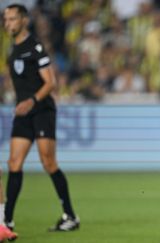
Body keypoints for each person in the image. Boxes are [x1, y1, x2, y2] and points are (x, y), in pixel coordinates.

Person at [3, 4, 79, 233]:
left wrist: (31, 101)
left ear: (24, 21)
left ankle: (70, 216)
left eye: (13, 19)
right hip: (23, 112)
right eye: (6, 19)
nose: (8, 24)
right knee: (14, 163)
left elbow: (50, 83)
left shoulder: (35, 47)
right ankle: (7, 220)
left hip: (42, 110)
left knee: (48, 163)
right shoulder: (11, 50)